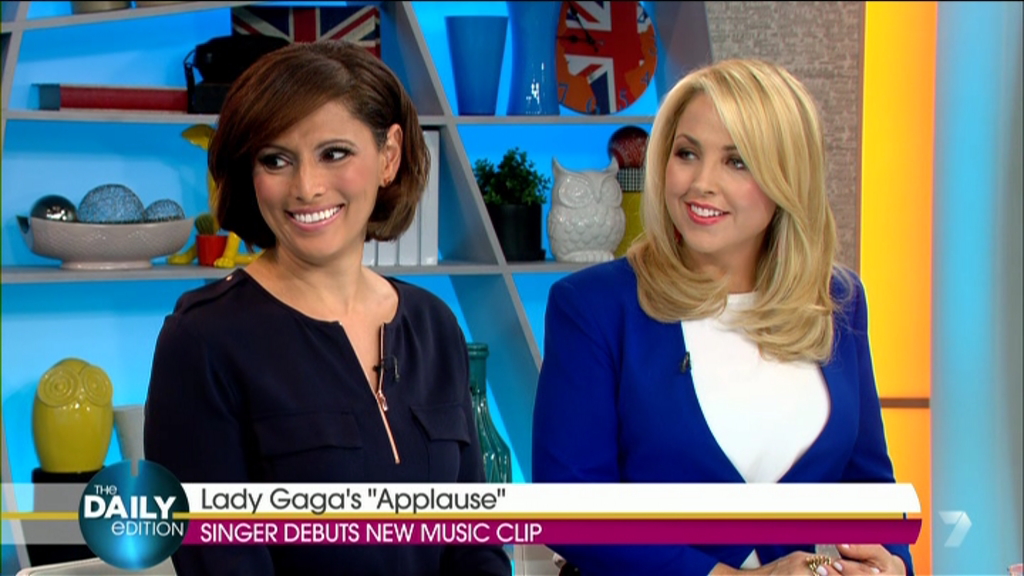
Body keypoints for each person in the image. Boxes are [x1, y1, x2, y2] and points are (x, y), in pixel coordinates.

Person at [532, 59, 915, 576]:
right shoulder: (594, 306)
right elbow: (569, 510)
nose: (701, 183)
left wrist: (891, 564)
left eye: (736, 161)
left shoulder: (837, 300)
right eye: (686, 154)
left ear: (787, 177)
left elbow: (870, 491)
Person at [144, 40, 511, 576]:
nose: (307, 187)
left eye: (334, 153)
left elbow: (474, 545)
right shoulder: (202, 340)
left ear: (389, 156)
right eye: (276, 160)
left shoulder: (434, 325)